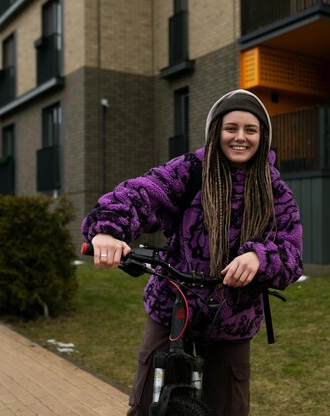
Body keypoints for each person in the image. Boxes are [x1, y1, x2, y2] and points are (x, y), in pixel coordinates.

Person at [82, 89, 304, 416]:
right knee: (146, 405)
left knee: (228, 406)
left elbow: (291, 250)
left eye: (250, 130)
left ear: (263, 135)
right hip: (174, 303)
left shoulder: (275, 190)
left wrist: (259, 256)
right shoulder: (191, 169)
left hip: (233, 315)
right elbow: (142, 195)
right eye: (231, 128)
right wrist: (107, 231)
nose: (240, 137)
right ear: (216, 131)